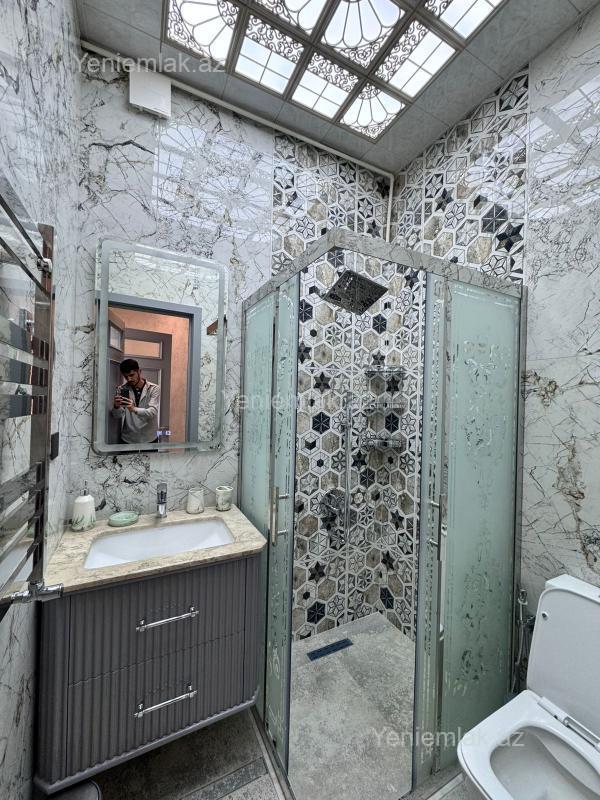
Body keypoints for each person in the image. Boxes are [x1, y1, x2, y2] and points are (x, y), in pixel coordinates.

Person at [111, 359, 160, 444]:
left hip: (149, 438)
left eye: (131, 375)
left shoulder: (154, 388)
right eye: (125, 376)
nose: (129, 379)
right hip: (128, 438)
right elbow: (117, 416)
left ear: (139, 371)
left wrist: (133, 409)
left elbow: (152, 412)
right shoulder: (121, 389)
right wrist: (116, 406)